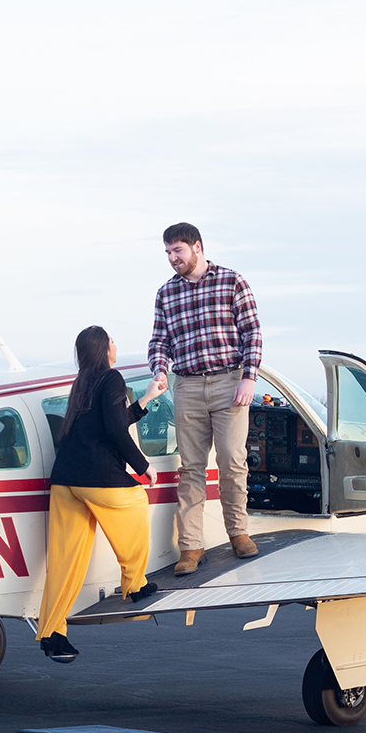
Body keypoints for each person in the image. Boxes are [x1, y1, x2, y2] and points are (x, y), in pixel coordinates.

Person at [36, 325, 164, 663]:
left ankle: (52, 633)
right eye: (112, 341)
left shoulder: (83, 383)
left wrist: (147, 399)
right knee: (137, 502)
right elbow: (115, 430)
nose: (116, 345)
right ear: (104, 349)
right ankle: (135, 583)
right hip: (96, 476)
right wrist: (142, 466)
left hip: (65, 480)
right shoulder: (112, 379)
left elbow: (112, 419)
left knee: (65, 562)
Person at [147, 222, 262, 575]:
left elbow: (252, 331)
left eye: (177, 251)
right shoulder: (166, 294)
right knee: (191, 469)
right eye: (167, 252)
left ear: (197, 247)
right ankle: (190, 547)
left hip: (230, 381)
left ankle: (238, 533)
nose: (171, 258)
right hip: (188, 386)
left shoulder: (232, 281)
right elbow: (159, 340)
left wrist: (249, 377)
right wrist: (160, 370)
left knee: (231, 460)